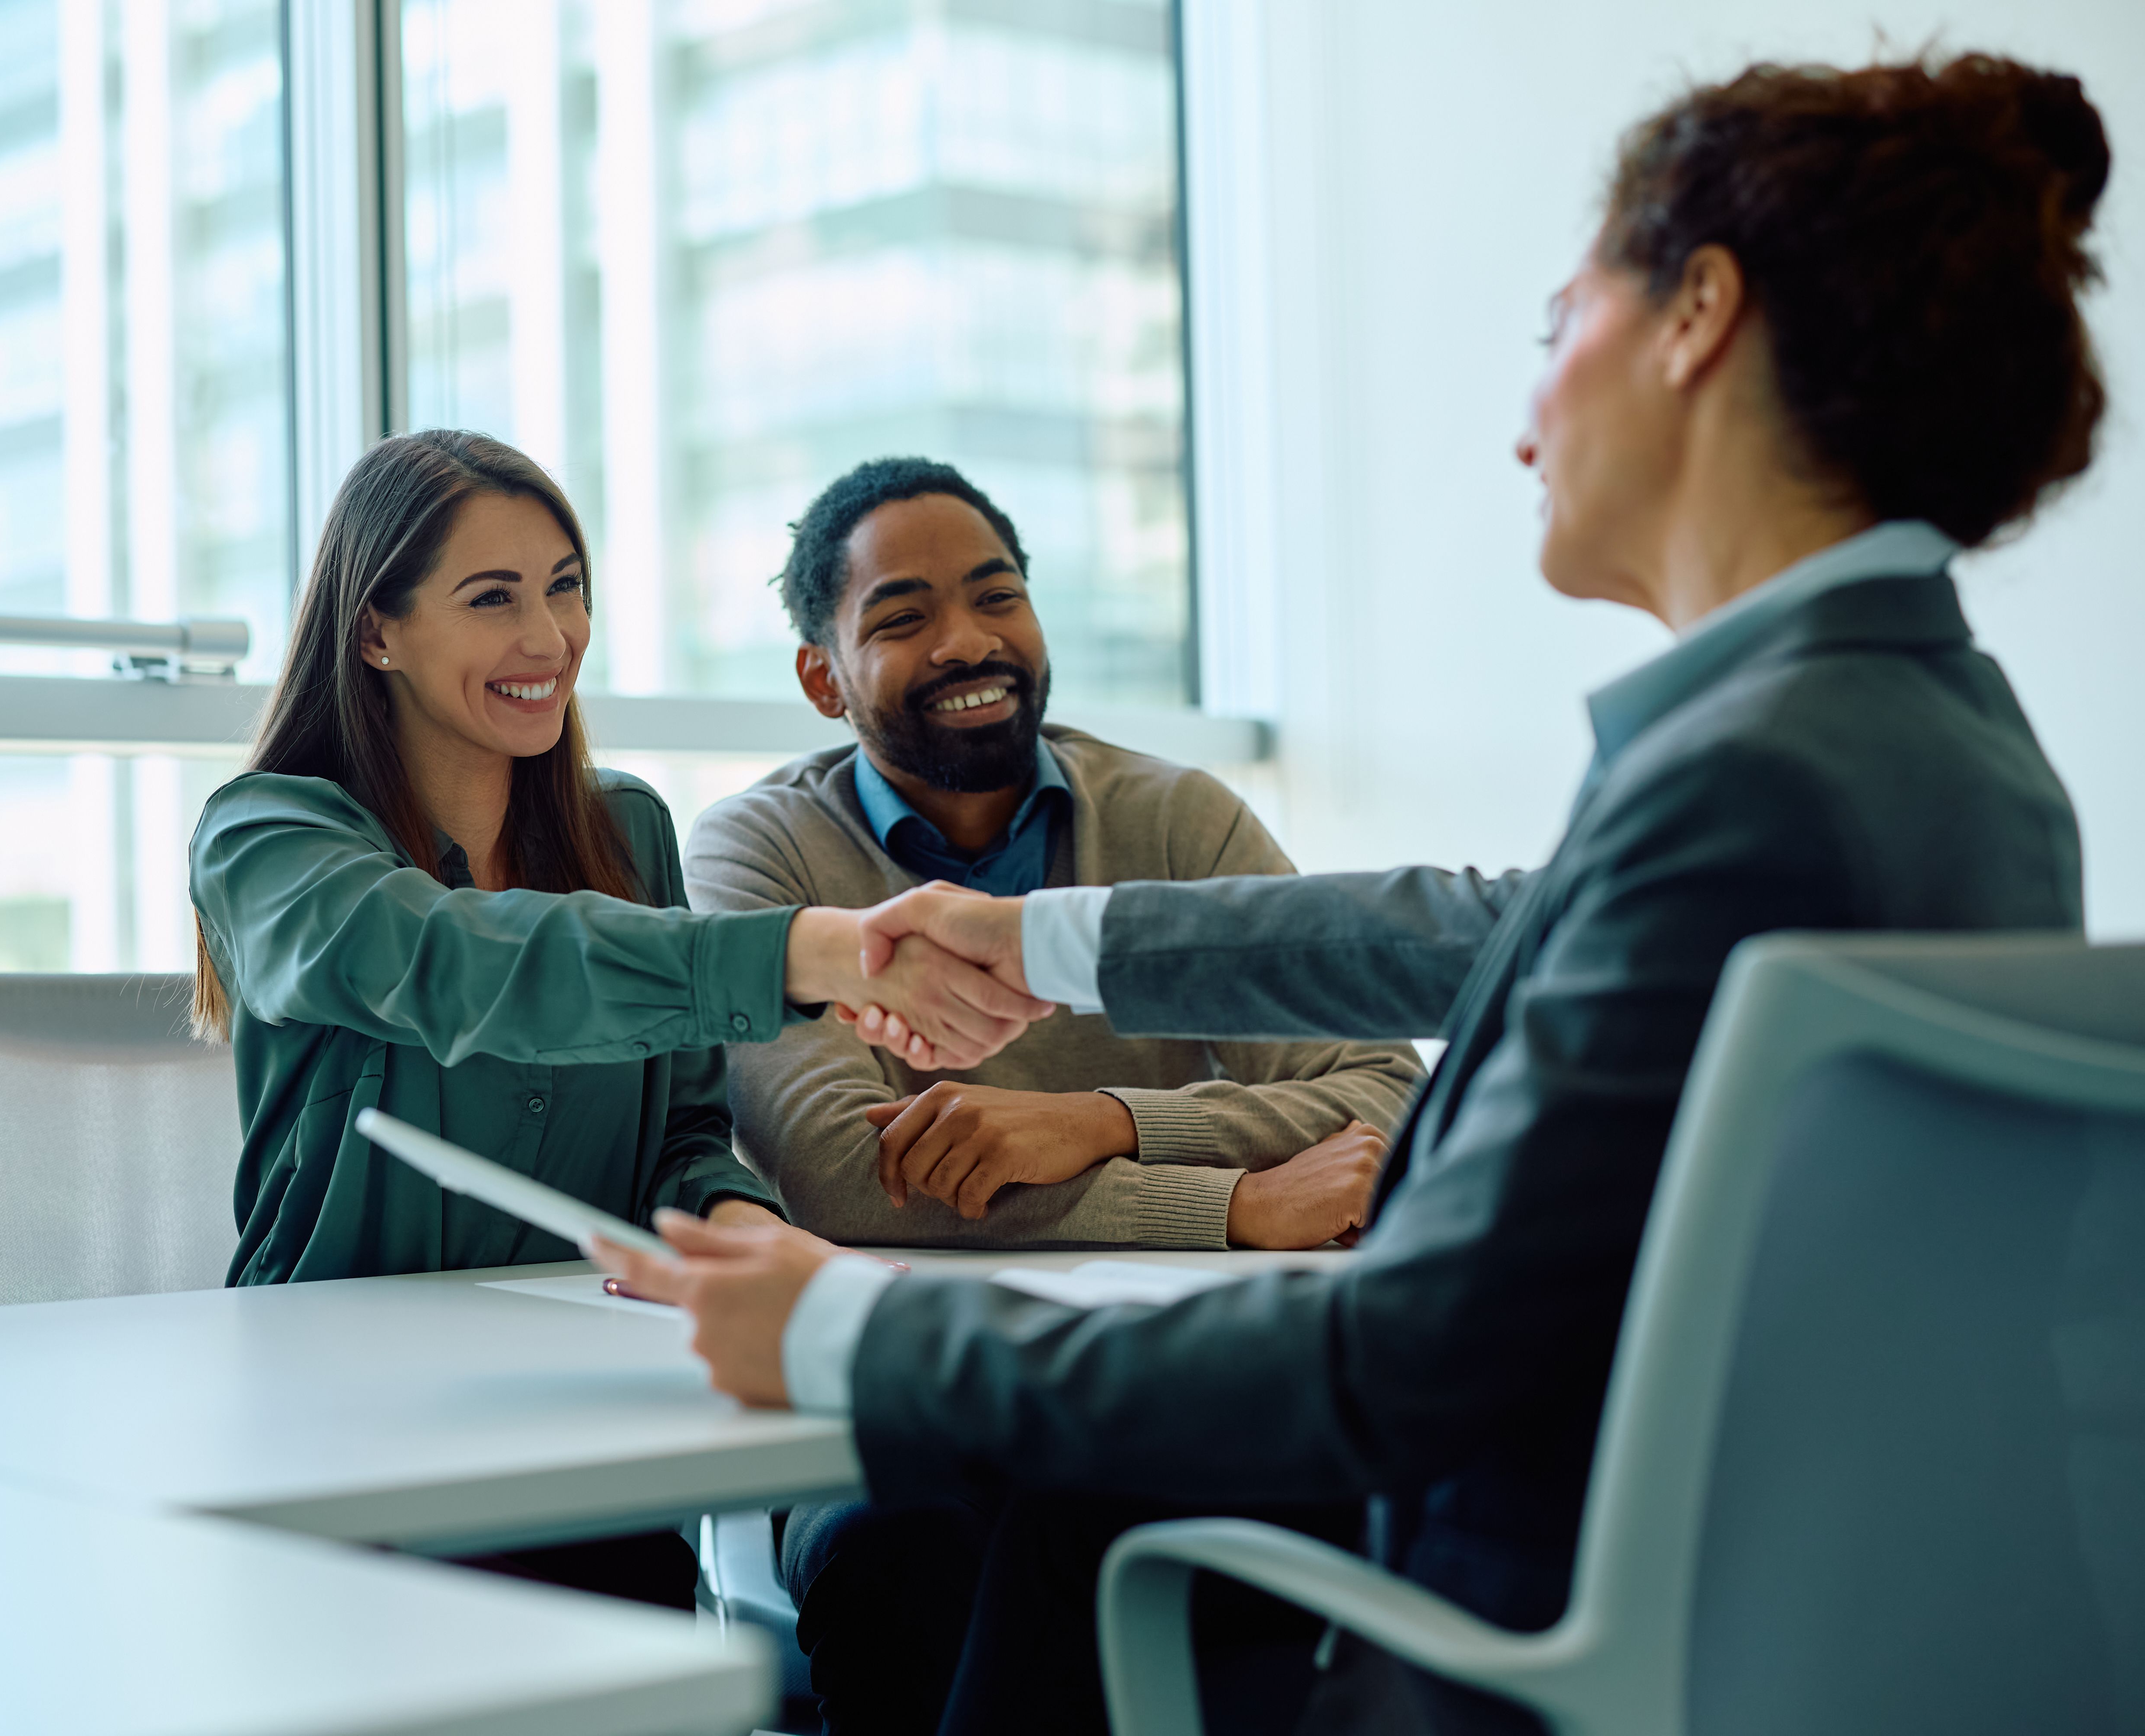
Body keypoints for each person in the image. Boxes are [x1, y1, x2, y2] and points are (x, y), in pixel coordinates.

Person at [596, 52, 2106, 1732]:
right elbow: (1478, 927)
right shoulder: (1934, 740)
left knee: (1033, 1527)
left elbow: (1396, 1363)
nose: (1528, 416)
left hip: (1538, 1648)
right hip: (1841, 1617)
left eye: (1555, 326)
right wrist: (1035, 935)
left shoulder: (1755, 783)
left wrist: (862, 1343)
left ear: (1699, 319)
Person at [184, 428, 1050, 1604]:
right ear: (375, 630)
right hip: (339, 1439)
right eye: (492, 599)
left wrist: (752, 1233)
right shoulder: (269, 839)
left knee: (940, 1524)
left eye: (564, 588)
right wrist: (813, 950)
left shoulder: (626, 830)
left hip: (582, 1422)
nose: (547, 641)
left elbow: (680, 1142)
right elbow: (456, 965)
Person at [687, 456, 1423, 1730]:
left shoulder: (1176, 818)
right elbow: (848, 1178)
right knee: (906, 1554)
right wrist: (1233, 1207)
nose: (970, 641)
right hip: (902, 1394)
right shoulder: (761, 854)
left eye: (998, 596)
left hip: (1160, 1377)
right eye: (903, 617)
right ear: (823, 676)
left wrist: (1107, 1122)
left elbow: (1383, 1095)